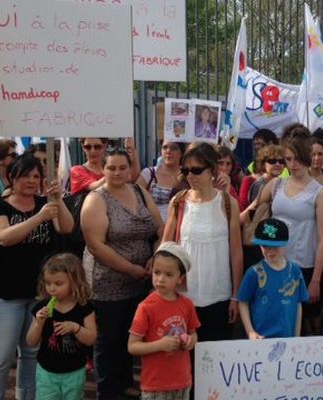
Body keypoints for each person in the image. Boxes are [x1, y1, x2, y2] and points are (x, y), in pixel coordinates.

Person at [0, 154, 74, 400]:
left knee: (32, 352)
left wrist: (57, 202)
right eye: (25, 176)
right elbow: (3, 236)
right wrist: (39, 217)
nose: (31, 181)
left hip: (40, 293)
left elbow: (66, 227)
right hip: (6, 294)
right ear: (12, 177)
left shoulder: (45, 203)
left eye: (36, 176)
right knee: (1, 357)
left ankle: (28, 397)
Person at [81, 148, 163, 399]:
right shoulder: (96, 199)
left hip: (140, 279)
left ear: (130, 169)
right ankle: (107, 391)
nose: (117, 173)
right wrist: (132, 269)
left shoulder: (139, 191)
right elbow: (96, 245)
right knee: (109, 339)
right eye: (111, 168)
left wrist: (154, 258)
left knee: (130, 333)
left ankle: (125, 383)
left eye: (122, 168)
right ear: (103, 170)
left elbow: (160, 227)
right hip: (108, 281)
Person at [162, 142, 243, 342]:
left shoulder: (227, 203)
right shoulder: (178, 202)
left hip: (219, 294)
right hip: (183, 295)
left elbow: (236, 253)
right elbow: (166, 247)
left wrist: (235, 296)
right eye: (186, 170)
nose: (190, 175)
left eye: (197, 170)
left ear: (212, 170)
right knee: (184, 358)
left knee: (213, 358)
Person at [257, 135, 323, 334]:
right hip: (274, 260)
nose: (293, 164)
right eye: (288, 159)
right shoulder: (277, 185)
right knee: (273, 316)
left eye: (297, 158)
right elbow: (254, 208)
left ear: (307, 158)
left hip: (302, 264)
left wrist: (315, 280)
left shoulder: (320, 192)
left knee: (299, 321)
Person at [128, 242, 200, 400]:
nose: (160, 279)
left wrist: (190, 341)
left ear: (180, 279)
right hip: (155, 385)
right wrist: (160, 345)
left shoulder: (187, 304)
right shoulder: (145, 307)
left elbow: (193, 334)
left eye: (168, 275)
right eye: (157, 272)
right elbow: (132, 346)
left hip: (182, 381)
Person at [26, 253, 97, 400]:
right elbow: (31, 342)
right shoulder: (42, 307)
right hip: (46, 372)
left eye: (58, 284)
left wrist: (76, 328)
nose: (51, 288)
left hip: (74, 371)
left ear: (74, 282)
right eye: (48, 283)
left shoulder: (84, 307)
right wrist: (39, 323)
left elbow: (91, 339)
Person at [238, 218, 309, 339]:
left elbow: (298, 303)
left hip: (288, 338)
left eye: (275, 246)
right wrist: (250, 331)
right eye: (265, 246)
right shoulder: (254, 273)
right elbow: (243, 301)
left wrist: (297, 335)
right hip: (261, 339)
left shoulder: (295, 271)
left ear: (285, 244)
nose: (270, 251)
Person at [70, 137, 140, 196]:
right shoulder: (77, 170)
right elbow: (94, 187)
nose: (92, 151)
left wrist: (133, 151)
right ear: (83, 147)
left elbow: (132, 178)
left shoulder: (112, 169)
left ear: (105, 146)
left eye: (97, 147)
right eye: (88, 147)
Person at [136, 140, 186, 222]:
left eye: (173, 148)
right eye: (165, 147)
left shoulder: (189, 176)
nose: (168, 151)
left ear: (181, 153)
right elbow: (134, 198)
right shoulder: (149, 173)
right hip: (152, 229)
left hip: (179, 228)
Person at [239, 145, 285, 212]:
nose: (277, 164)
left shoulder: (283, 183)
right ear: (263, 164)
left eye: (281, 161)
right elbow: (257, 212)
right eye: (272, 161)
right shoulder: (259, 185)